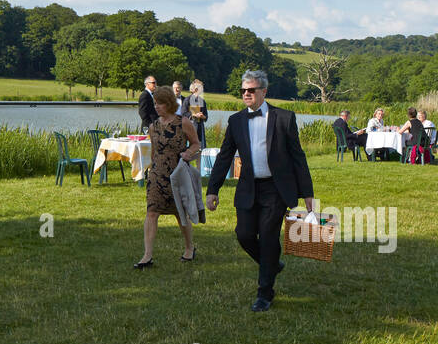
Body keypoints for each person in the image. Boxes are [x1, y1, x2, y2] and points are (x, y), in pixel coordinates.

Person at [206, 70, 316, 312]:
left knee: (268, 237)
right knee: (244, 235)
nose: (246, 94)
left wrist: (307, 194)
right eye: (243, 90)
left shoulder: (284, 117)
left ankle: (264, 293)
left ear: (263, 92)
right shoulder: (235, 121)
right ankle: (272, 264)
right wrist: (213, 189)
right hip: (248, 187)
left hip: (276, 189)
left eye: (251, 90)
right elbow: (224, 157)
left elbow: (298, 157)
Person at [133, 86, 201, 267]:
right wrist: (151, 171)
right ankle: (147, 255)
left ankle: (189, 248)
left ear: (169, 103)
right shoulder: (153, 127)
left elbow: (196, 144)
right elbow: (154, 152)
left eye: (160, 103)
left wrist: (188, 153)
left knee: (181, 213)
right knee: (151, 212)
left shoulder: (183, 123)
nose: (156, 107)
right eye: (155, 103)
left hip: (177, 175)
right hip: (157, 175)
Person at [188, 79, 208, 150]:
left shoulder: (202, 101)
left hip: (200, 128)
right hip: (189, 128)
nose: (202, 90)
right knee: (188, 151)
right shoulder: (187, 99)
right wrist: (193, 115)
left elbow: (206, 116)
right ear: (196, 89)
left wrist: (203, 116)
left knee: (200, 151)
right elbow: (183, 114)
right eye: (201, 88)